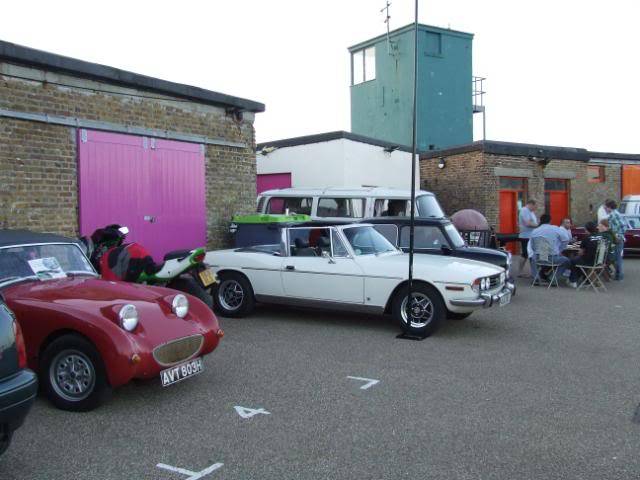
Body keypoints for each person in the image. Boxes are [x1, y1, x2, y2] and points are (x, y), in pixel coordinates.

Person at [528, 213, 572, 285]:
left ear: (540, 221)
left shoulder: (534, 231)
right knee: (566, 261)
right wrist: (560, 249)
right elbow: (566, 239)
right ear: (550, 221)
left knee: (532, 258)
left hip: (539, 258)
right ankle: (552, 278)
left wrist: (540, 252)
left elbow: (532, 246)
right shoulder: (555, 228)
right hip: (551, 258)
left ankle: (536, 278)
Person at [567, 221, 601, 287]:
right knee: (578, 261)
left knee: (573, 261)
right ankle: (586, 279)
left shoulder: (586, 238)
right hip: (599, 262)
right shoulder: (600, 237)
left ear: (587, 229)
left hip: (589, 262)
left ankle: (573, 280)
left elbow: (580, 253)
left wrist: (577, 254)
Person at [604, 199, 627, 280]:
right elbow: (624, 226)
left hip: (617, 239)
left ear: (609, 207)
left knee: (616, 258)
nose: (605, 209)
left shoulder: (612, 215)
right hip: (620, 238)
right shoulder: (617, 213)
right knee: (617, 257)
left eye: (606, 207)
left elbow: (614, 228)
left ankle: (619, 276)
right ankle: (618, 275)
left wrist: (617, 235)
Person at [518, 199, 538, 277]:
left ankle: (533, 272)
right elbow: (528, 223)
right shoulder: (524, 210)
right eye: (535, 206)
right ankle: (520, 272)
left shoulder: (531, 212)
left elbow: (533, 222)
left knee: (529, 254)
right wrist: (539, 226)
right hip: (526, 236)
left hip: (531, 236)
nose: (535, 208)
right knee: (525, 254)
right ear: (531, 204)